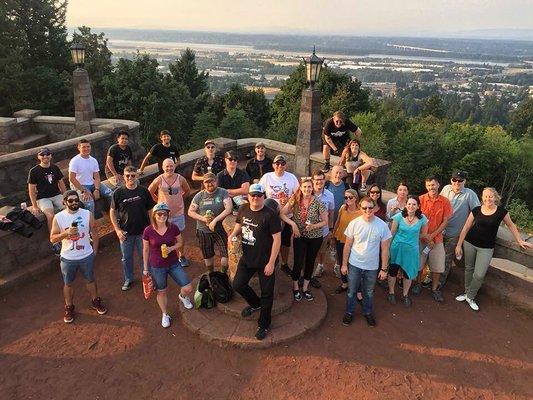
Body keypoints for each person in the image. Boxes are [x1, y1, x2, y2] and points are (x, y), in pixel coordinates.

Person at [455, 188, 532, 311]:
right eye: (485, 196)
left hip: (486, 248)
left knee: (479, 274)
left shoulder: (502, 212)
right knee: (469, 268)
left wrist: (519, 240)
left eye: (490, 196)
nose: (487, 199)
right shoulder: (476, 210)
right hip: (469, 242)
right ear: (482, 198)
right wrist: (459, 245)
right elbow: (466, 228)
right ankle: (466, 292)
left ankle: (470, 296)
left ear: (496, 197)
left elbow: (511, 225)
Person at [229, 184, 282, 341]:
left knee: (267, 294)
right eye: (253, 195)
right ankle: (255, 303)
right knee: (237, 284)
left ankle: (264, 324)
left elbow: (277, 240)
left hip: (266, 261)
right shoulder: (244, 209)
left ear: (263, 197)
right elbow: (239, 225)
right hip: (248, 257)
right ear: (248, 196)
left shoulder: (270, 215)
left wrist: (272, 262)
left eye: (259, 195)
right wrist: (232, 235)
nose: (255, 198)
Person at [49, 190, 107, 323]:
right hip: (67, 257)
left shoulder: (87, 214)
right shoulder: (59, 217)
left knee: (90, 280)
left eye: (76, 200)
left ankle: (95, 301)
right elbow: (52, 238)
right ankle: (69, 307)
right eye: (70, 200)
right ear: (64, 202)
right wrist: (65, 234)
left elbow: (94, 233)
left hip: (86, 255)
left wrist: (95, 252)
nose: (74, 202)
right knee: (68, 284)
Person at [341, 196, 391, 327]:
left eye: (370, 207)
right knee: (352, 291)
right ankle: (349, 312)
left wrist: (384, 268)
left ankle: (367, 312)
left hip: (372, 266)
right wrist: (344, 264)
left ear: (374, 208)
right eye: (364, 208)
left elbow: (385, 249)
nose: (368, 210)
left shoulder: (382, 226)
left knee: (369, 292)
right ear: (360, 208)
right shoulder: (354, 223)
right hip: (354, 264)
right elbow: (347, 245)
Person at [142, 203, 193, 328]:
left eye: (165, 213)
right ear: (154, 215)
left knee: (188, 287)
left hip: (174, 263)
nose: (162, 216)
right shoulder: (148, 231)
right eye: (159, 213)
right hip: (157, 266)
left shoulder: (173, 227)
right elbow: (145, 250)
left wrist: (171, 248)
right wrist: (145, 268)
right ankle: (165, 314)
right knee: (162, 291)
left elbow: (181, 242)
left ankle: (182, 296)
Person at [280, 178, 328, 301]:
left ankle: (305, 288)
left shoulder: (318, 202)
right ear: (300, 188)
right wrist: (293, 224)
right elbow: (282, 214)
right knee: (298, 262)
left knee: (310, 261)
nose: (307, 189)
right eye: (305, 187)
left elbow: (325, 221)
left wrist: (313, 226)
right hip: (299, 236)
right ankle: (295, 287)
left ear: (312, 189)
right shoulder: (295, 199)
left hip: (315, 237)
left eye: (309, 187)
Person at [110, 166, 155, 291]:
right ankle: (128, 279)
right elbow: (112, 212)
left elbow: (150, 209)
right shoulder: (118, 193)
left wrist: (152, 226)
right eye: (127, 175)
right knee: (126, 257)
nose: (130, 178)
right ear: (124, 177)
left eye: (133, 175)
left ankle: (148, 278)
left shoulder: (144, 191)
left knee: (145, 256)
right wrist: (117, 230)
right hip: (125, 233)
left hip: (143, 232)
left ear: (137, 176)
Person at [259, 155, 299, 275]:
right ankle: (269, 262)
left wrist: (288, 200)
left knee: (285, 242)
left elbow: (297, 195)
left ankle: (284, 264)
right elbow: (259, 193)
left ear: (285, 165)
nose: (280, 166)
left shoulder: (291, 177)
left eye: (282, 163)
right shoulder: (267, 177)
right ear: (273, 165)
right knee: (268, 240)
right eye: (277, 163)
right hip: (270, 216)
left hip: (287, 215)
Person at [439, 170, 480, 289]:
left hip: (455, 234)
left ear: (464, 181)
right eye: (454, 180)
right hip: (439, 230)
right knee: (434, 254)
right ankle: (430, 277)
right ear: (451, 180)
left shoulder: (470, 194)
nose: (457, 182)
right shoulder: (446, 189)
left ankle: (440, 282)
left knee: (446, 258)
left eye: (460, 180)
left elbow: (477, 213)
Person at [148, 158, 191, 267]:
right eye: (167, 166)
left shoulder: (180, 179)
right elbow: (150, 191)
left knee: (179, 236)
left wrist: (180, 200)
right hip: (163, 215)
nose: (169, 168)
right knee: (163, 235)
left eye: (171, 166)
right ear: (162, 167)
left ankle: (181, 256)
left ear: (174, 166)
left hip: (178, 213)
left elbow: (187, 190)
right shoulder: (159, 179)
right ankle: (166, 255)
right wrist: (158, 201)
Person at [415, 176, 452, 302]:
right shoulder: (420, 200)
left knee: (437, 266)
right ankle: (418, 284)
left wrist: (432, 236)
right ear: (426, 187)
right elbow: (415, 220)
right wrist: (426, 237)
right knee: (419, 264)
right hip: (421, 238)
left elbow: (445, 222)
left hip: (437, 239)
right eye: (429, 185)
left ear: (438, 185)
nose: (432, 187)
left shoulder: (445, 202)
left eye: (433, 185)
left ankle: (434, 288)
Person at [387, 196, 428, 307]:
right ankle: (391, 292)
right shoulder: (399, 217)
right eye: (409, 204)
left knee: (408, 274)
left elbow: (424, 235)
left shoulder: (422, 218)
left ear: (418, 206)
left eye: (414, 204)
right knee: (393, 271)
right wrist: (387, 250)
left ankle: (405, 295)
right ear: (406, 205)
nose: (411, 206)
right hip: (397, 248)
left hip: (411, 250)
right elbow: (392, 233)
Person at [188, 173, 233, 272]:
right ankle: (211, 273)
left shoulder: (223, 192)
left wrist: (215, 220)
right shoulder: (199, 196)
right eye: (206, 182)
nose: (209, 184)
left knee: (225, 253)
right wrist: (203, 219)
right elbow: (190, 212)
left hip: (220, 229)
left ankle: (223, 273)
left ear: (216, 181)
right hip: (203, 231)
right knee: (207, 254)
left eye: (212, 181)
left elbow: (228, 208)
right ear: (203, 183)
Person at [27, 147, 67, 251]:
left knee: (68, 209)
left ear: (51, 155)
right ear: (38, 157)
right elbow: (31, 190)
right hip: (43, 198)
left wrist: (66, 196)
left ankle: (70, 233)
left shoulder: (55, 168)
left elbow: (61, 183)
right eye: (42, 154)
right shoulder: (34, 171)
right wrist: (34, 206)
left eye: (47, 154)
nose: (45, 156)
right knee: (50, 215)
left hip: (56, 195)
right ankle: (56, 241)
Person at [68, 139, 113, 215]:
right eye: (83, 147)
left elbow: (97, 177)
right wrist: (83, 191)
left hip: (91, 183)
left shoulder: (93, 160)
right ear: (79, 148)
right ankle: (90, 224)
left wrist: (97, 189)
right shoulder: (75, 161)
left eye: (88, 146)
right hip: (79, 185)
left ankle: (114, 215)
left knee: (110, 194)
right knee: (90, 203)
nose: (86, 149)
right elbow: (72, 179)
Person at [331, 189, 361, 294]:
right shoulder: (343, 208)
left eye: (350, 197)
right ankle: (344, 284)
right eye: (346, 197)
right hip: (341, 238)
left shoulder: (361, 212)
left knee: (352, 264)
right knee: (342, 262)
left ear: (356, 198)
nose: (348, 199)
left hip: (354, 242)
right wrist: (333, 235)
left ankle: (354, 285)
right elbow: (338, 222)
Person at [310, 169, 335, 285]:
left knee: (322, 250)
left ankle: (320, 265)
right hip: (309, 230)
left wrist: (330, 229)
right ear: (312, 180)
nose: (319, 182)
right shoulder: (307, 192)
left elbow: (331, 212)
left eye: (321, 179)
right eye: (317, 179)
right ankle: (308, 271)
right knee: (308, 251)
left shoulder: (330, 195)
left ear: (325, 181)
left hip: (323, 230)